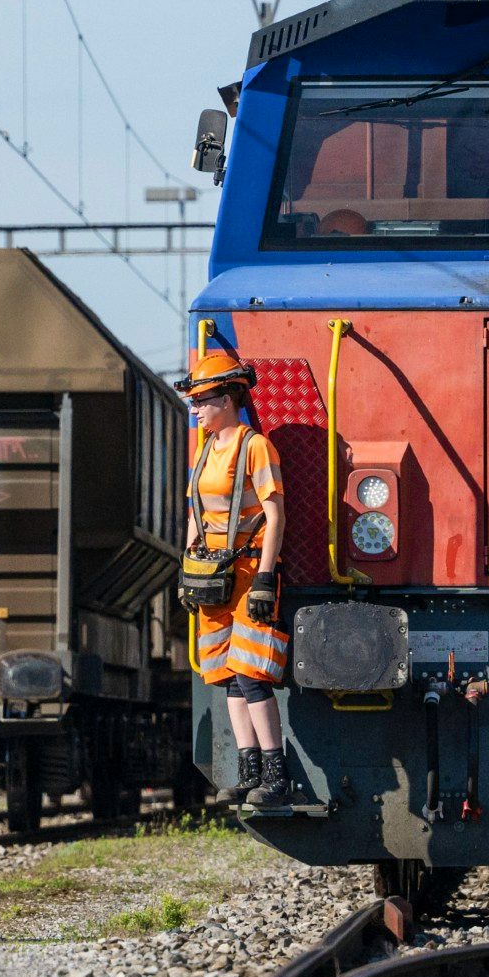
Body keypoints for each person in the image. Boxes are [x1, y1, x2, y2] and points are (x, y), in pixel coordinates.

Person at [182, 346, 291, 810]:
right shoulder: (207, 448)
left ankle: (275, 771)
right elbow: (197, 513)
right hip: (213, 575)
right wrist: (187, 569)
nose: (197, 410)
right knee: (226, 676)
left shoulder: (255, 446)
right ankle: (247, 771)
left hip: (248, 573)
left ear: (228, 399)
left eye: (203, 401)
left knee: (252, 674)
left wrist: (266, 576)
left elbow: (275, 513)